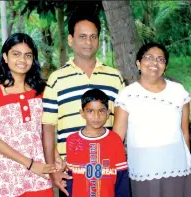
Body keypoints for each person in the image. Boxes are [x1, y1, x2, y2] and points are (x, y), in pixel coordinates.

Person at [41, 13, 124, 196]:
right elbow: (48, 128)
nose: (88, 42)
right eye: (82, 37)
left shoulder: (114, 77)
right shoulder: (56, 79)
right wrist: (53, 168)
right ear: (71, 40)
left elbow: (121, 123)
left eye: (93, 36)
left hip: (107, 171)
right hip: (70, 171)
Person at [113, 42, 191, 197]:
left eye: (161, 59)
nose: (155, 63)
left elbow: (184, 133)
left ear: (165, 66)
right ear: (138, 63)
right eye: (149, 57)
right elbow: (117, 139)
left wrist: (189, 170)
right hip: (143, 169)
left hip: (177, 168)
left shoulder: (178, 92)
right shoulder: (127, 95)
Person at [0, 33, 57, 197]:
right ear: (5, 57)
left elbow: (45, 132)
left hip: (38, 176)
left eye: (28, 55)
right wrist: (30, 164)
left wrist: (55, 157)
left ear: (33, 59)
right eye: (16, 54)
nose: (22, 60)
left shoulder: (40, 90)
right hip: (3, 176)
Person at [66, 89, 130, 197]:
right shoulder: (72, 140)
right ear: (82, 113)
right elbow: (70, 179)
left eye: (101, 111)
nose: (96, 116)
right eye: (90, 111)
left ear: (108, 113)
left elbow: (122, 179)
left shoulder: (115, 140)